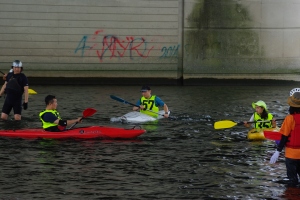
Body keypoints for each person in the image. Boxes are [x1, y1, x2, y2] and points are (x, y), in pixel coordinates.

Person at [270, 89, 300, 186]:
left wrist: (278, 151)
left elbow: (284, 136)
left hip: (291, 155)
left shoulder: (289, 118)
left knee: (292, 180)